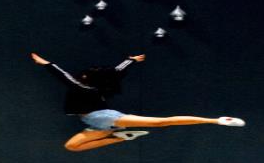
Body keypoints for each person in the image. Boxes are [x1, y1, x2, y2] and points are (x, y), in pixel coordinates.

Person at [31, 52, 245, 152]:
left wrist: (46, 63)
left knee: (163, 122)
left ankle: (217, 120)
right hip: (94, 123)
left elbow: (63, 76)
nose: (81, 75)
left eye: (84, 75)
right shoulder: (95, 86)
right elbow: (116, 72)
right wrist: (130, 60)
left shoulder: (82, 87)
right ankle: (121, 137)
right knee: (72, 146)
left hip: (105, 118)